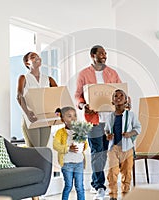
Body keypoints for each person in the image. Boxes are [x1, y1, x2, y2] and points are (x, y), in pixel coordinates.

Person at [74, 45, 122, 199]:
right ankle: (99, 186)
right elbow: (77, 95)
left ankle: (96, 182)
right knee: (97, 152)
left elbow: (122, 91)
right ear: (92, 55)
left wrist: (125, 101)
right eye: (101, 53)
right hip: (93, 120)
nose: (104, 55)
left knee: (105, 153)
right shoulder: (84, 74)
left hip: (110, 120)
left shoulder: (112, 73)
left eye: (105, 53)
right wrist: (83, 105)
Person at [105, 89, 141, 200]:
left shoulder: (131, 115)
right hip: (113, 148)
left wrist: (130, 133)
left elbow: (138, 128)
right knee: (112, 171)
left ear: (126, 100)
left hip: (127, 148)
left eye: (121, 96)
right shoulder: (110, 116)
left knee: (127, 172)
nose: (118, 97)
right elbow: (106, 130)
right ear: (112, 101)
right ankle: (113, 195)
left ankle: (126, 193)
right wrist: (108, 135)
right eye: (116, 96)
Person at [17, 51, 58, 147]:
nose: (37, 58)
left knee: (43, 149)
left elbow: (57, 96)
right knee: (34, 150)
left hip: (45, 118)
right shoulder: (24, 78)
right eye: (33, 57)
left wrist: (56, 114)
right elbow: (19, 96)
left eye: (38, 56)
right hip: (31, 117)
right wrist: (27, 113)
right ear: (27, 63)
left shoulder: (49, 79)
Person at [53, 106, 88, 200]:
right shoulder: (60, 132)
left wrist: (83, 141)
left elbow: (85, 145)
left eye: (74, 115)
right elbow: (56, 145)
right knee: (68, 186)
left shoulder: (79, 130)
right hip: (67, 163)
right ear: (63, 119)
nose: (73, 118)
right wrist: (69, 148)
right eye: (69, 116)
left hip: (79, 163)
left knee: (80, 187)